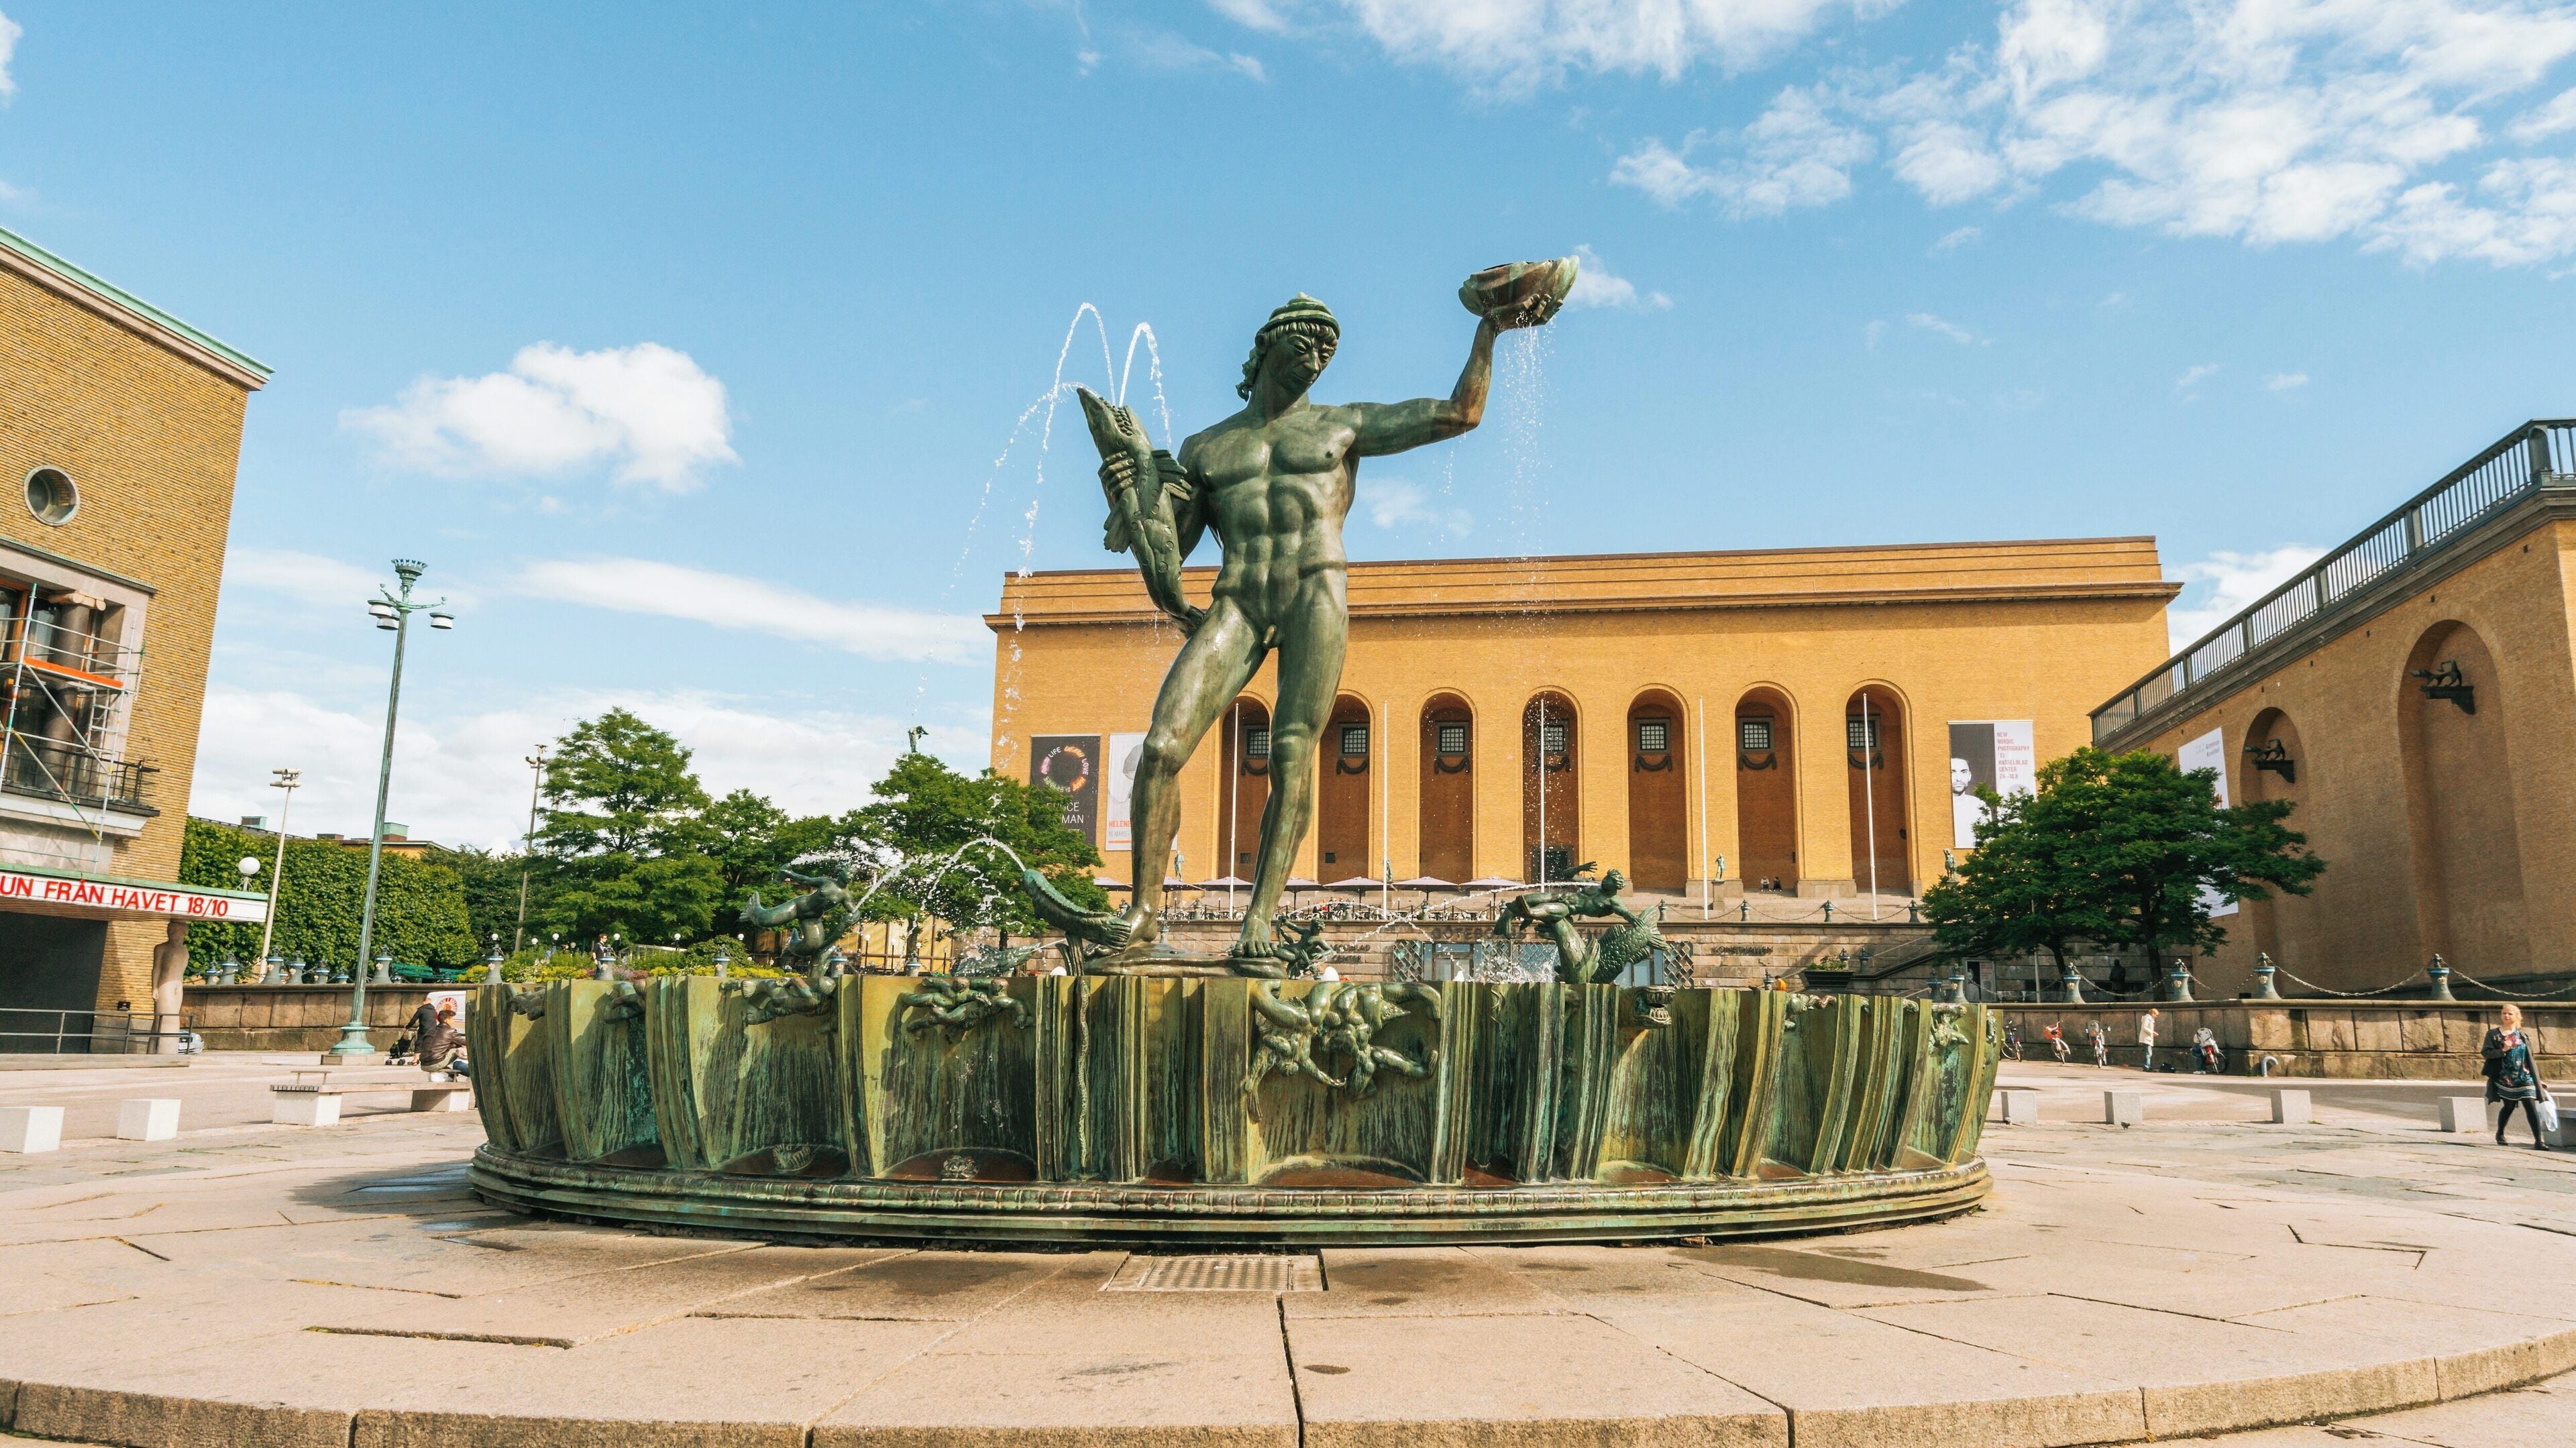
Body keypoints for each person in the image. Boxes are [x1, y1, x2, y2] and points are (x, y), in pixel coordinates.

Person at [2484, 1003, 2550, 1150]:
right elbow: (2486, 1053)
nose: (2506, 1016)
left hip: (2525, 1077)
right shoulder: (2493, 1034)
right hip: (2506, 1078)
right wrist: (2503, 1050)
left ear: (2517, 1017)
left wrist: (2538, 1080)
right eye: (2504, 1013)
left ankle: (2539, 1141)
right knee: (2509, 1106)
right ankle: (2500, 1133)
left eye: (2510, 1014)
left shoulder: (2523, 1036)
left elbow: (2530, 1059)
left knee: (2530, 1106)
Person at [417, 1003, 469, 1082]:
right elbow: (466, 1043)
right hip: (435, 1063)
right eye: (452, 1019)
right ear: (447, 1020)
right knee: (458, 1051)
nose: (453, 1021)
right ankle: (468, 1068)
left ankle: (450, 1076)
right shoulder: (450, 1031)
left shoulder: (431, 1030)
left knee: (452, 1050)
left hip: (424, 1064)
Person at [2139, 1008, 2160, 1072]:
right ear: (2153, 1013)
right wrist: (2152, 1032)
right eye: (2156, 1015)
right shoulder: (2147, 1018)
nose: (2157, 1016)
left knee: (2149, 1053)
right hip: (2146, 1038)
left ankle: (2148, 1066)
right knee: (2148, 1053)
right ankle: (2146, 1067)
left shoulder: (2150, 1019)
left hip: (2148, 1038)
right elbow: (2144, 1027)